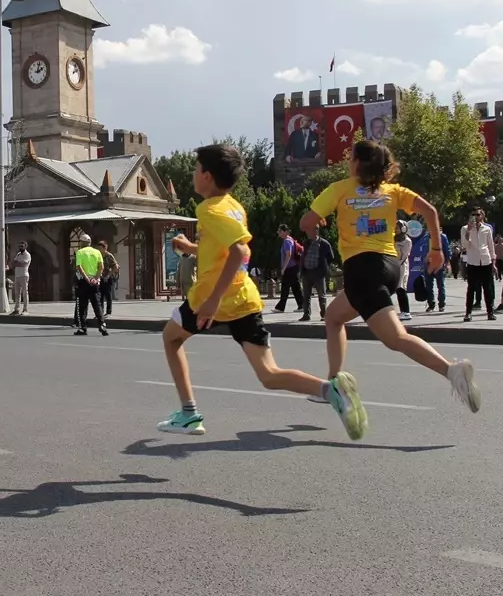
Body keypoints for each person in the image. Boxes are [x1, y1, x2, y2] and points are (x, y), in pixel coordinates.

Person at [155, 144, 367, 439]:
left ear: (207, 176)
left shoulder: (208, 208)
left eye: (195, 169)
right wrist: (192, 248)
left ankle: (189, 414)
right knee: (269, 374)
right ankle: (330, 390)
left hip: (213, 298)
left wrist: (212, 301)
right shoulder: (233, 206)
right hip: (244, 298)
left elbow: (239, 249)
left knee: (170, 338)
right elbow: (231, 250)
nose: (193, 174)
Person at [304, 140, 481, 415]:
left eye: (350, 158)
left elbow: (306, 223)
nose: (348, 162)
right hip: (389, 265)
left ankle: (451, 371)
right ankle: (334, 382)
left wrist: (318, 222)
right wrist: (436, 250)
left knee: (395, 338)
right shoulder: (393, 191)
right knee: (334, 317)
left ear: (358, 163)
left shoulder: (339, 190)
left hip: (361, 269)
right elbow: (430, 212)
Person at [460, 208, 496, 321]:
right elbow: (465, 245)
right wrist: (469, 231)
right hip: (473, 261)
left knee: (487, 288)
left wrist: (493, 261)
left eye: (478, 214)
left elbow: (491, 246)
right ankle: (468, 313)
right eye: (473, 214)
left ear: (482, 216)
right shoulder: (465, 229)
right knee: (471, 288)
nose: (475, 216)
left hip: (486, 261)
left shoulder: (487, 229)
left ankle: (490, 312)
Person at [72, 233, 108, 336]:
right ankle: (102, 325)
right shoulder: (97, 252)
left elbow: (79, 267)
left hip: (83, 282)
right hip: (95, 281)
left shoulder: (80, 252)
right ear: (90, 242)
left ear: (82, 243)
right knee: (97, 304)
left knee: (82, 306)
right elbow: (101, 267)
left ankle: (83, 328)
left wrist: (87, 278)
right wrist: (95, 278)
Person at [299, 220, 334, 322]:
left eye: (309, 231)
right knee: (306, 296)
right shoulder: (306, 243)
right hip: (307, 272)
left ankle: (324, 315)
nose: (307, 233)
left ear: (316, 231)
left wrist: (323, 265)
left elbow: (331, 257)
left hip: (318, 273)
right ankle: (306, 315)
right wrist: (302, 270)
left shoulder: (324, 244)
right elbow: (303, 256)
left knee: (321, 296)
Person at [273, 225, 303, 313]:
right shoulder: (291, 240)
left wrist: (283, 268)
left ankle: (280, 307)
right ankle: (301, 305)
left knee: (286, 287)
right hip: (293, 267)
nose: (279, 234)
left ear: (285, 231)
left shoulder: (287, 241)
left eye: (280, 232)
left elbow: (288, 254)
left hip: (290, 268)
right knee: (294, 287)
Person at [421, 225, 450, 313]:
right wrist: (423, 263)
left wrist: (446, 263)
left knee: (440, 285)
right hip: (428, 265)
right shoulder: (426, 238)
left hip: (439, 265)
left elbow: (447, 251)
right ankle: (431, 304)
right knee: (429, 286)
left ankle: (441, 304)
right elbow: (423, 251)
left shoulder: (442, 237)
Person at [393, 221, 413, 321]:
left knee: (401, 288)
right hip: (392, 265)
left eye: (397, 227)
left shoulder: (407, 241)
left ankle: (406, 311)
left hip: (401, 266)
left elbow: (403, 256)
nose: (395, 229)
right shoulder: (392, 238)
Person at [98, 240, 119, 318]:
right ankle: (100, 312)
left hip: (108, 278)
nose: (99, 250)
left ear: (105, 248)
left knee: (108, 295)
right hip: (100, 277)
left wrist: (108, 275)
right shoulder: (98, 255)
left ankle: (108, 311)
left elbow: (115, 266)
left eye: (101, 248)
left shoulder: (109, 256)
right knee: (100, 295)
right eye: (98, 248)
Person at [11, 242, 32, 315]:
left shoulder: (27, 255)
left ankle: (25, 309)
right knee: (17, 293)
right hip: (17, 276)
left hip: (24, 275)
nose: (20, 247)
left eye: (22, 246)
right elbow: (13, 263)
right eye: (19, 246)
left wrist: (17, 263)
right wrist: (17, 263)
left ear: (25, 246)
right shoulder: (18, 254)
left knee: (25, 293)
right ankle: (16, 309)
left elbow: (23, 264)